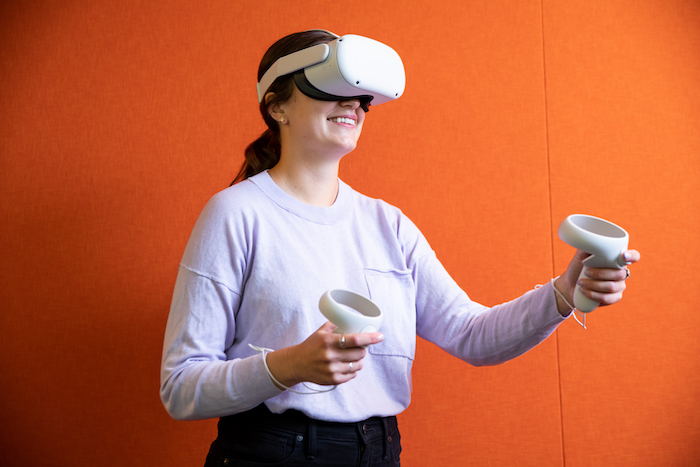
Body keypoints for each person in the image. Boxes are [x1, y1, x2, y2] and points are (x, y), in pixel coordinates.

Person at [160, 30, 640, 466]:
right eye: (331, 87)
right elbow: (181, 388)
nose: (353, 104)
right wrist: (290, 366)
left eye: (362, 96)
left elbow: (472, 334)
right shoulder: (235, 214)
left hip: (380, 452)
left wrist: (563, 291)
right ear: (276, 106)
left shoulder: (387, 225)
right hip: (271, 453)